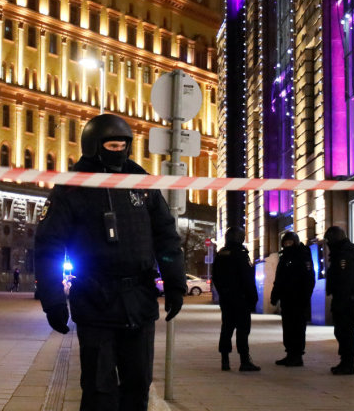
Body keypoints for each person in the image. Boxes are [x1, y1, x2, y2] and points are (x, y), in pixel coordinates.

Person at [34, 113, 186, 411]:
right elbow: (49, 245)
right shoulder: (72, 187)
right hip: (95, 301)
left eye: (122, 146)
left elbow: (166, 236)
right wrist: (52, 300)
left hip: (139, 301)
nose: (118, 151)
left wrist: (175, 282)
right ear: (94, 145)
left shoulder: (141, 183)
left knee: (138, 387)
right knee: (99, 391)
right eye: (111, 145)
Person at [211, 226, 260, 372]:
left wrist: (223, 293)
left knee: (226, 327)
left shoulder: (221, 254)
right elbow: (247, 278)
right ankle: (244, 360)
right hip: (241, 299)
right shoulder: (241, 254)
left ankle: (225, 360)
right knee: (242, 329)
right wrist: (253, 297)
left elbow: (215, 277)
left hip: (226, 299)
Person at [269, 230, 316, 366]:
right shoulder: (284, 257)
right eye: (286, 243)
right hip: (287, 299)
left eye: (290, 242)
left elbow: (309, 279)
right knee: (288, 327)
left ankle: (297, 355)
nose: (288, 245)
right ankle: (290, 353)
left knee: (298, 327)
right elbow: (279, 278)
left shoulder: (303, 255)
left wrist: (305, 297)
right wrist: (275, 295)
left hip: (299, 299)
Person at [323, 225, 354, 375]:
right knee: (341, 331)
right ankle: (345, 361)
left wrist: (344, 298)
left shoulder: (344, 253)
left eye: (329, 240)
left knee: (345, 331)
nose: (328, 243)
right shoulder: (341, 252)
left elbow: (346, 278)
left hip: (345, 300)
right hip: (343, 298)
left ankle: (348, 363)